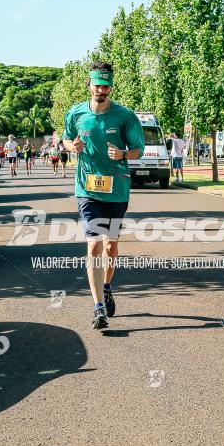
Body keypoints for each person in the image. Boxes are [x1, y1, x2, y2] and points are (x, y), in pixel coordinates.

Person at [63, 61, 144, 330]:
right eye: (97, 84)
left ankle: (107, 286)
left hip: (117, 188)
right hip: (87, 189)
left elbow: (138, 150)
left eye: (106, 85)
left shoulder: (125, 116)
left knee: (111, 247)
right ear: (89, 84)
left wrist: (123, 154)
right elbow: (66, 138)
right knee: (94, 245)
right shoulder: (76, 113)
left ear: (110, 86)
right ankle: (98, 307)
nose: (102, 89)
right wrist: (71, 146)